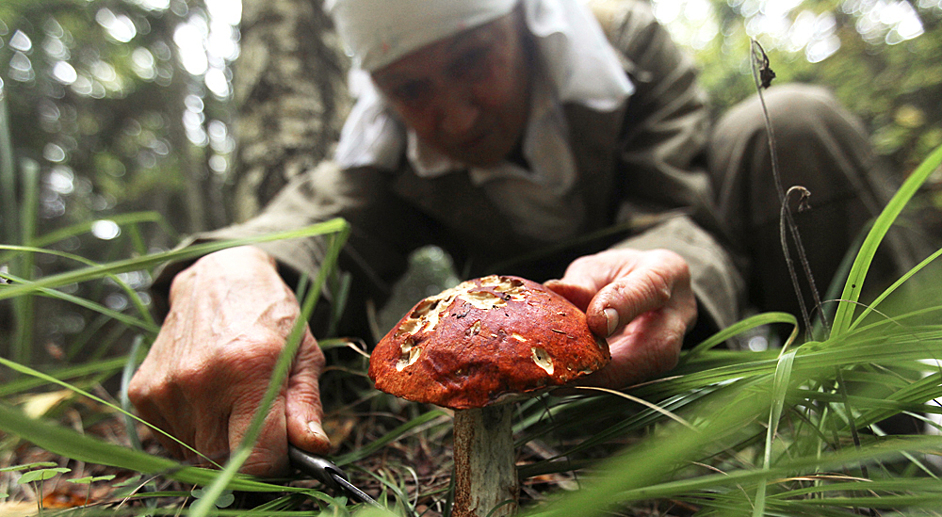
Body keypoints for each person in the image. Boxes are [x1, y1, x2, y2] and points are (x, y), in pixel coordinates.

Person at [128, 0, 923, 477]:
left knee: (792, 122)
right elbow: (317, 220)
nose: (457, 116)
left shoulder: (622, 47)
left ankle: (903, 429)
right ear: (381, 91)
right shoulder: (390, 145)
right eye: (412, 89)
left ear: (521, 22)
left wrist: (667, 267)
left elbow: (683, 208)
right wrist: (229, 266)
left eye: (472, 60)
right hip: (520, 363)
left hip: (668, 302)